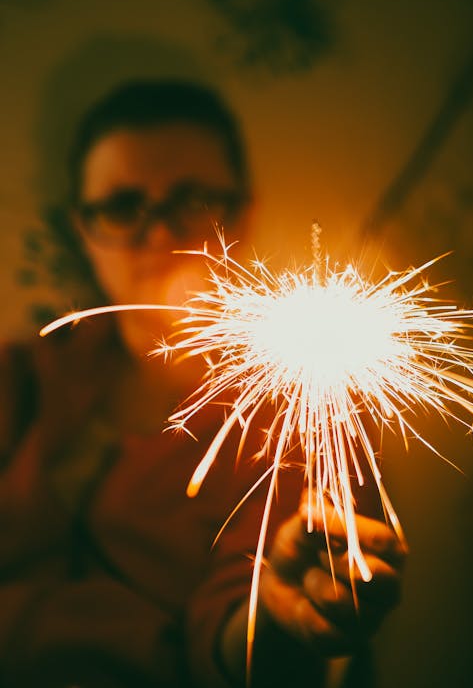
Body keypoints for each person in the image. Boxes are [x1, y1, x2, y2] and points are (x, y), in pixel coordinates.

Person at [0, 80, 406, 687]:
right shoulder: (22, 377)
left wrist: (275, 615)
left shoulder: (305, 416)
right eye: (121, 207)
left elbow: (240, 642)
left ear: (243, 214)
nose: (160, 235)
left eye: (191, 202)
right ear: (82, 229)